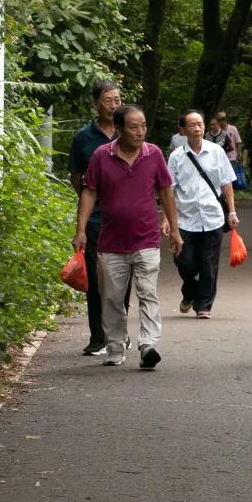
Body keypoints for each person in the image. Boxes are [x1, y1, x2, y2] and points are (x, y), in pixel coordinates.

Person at [72, 105, 182, 369]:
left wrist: (175, 230)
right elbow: (89, 192)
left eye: (143, 126)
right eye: (134, 127)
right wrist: (81, 230)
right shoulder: (101, 156)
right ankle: (115, 345)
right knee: (111, 297)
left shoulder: (154, 154)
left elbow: (166, 191)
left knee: (147, 293)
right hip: (111, 243)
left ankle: (148, 345)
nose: (140, 131)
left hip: (146, 240)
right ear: (118, 129)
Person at [67, 80, 130, 356]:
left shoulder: (128, 134)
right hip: (95, 219)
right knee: (95, 277)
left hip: (126, 218)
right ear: (95, 104)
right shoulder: (83, 137)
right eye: (108, 100)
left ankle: (120, 331)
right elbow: (76, 178)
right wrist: (89, 201)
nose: (114, 105)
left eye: (118, 100)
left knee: (122, 277)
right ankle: (98, 336)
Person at [166, 110, 238, 319]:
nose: (197, 128)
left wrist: (232, 211)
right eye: (192, 125)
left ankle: (204, 305)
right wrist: (166, 220)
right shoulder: (176, 156)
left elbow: (226, 183)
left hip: (212, 216)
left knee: (209, 263)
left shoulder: (216, 151)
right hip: (185, 218)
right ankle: (190, 291)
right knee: (184, 261)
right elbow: (169, 190)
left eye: (200, 124)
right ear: (183, 130)